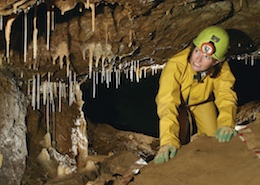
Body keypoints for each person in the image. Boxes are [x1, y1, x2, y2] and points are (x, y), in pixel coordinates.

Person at [154, 26, 238, 164]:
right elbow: (167, 103)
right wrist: (168, 141)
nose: (198, 60)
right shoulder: (175, 65)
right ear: (192, 48)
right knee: (175, 145)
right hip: (177, 105)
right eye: (197, 51)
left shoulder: (222, 69)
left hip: (202, 102)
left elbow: (226, 96)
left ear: (216, 61)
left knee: (215, 138)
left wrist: (227, 123)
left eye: (206, 57)